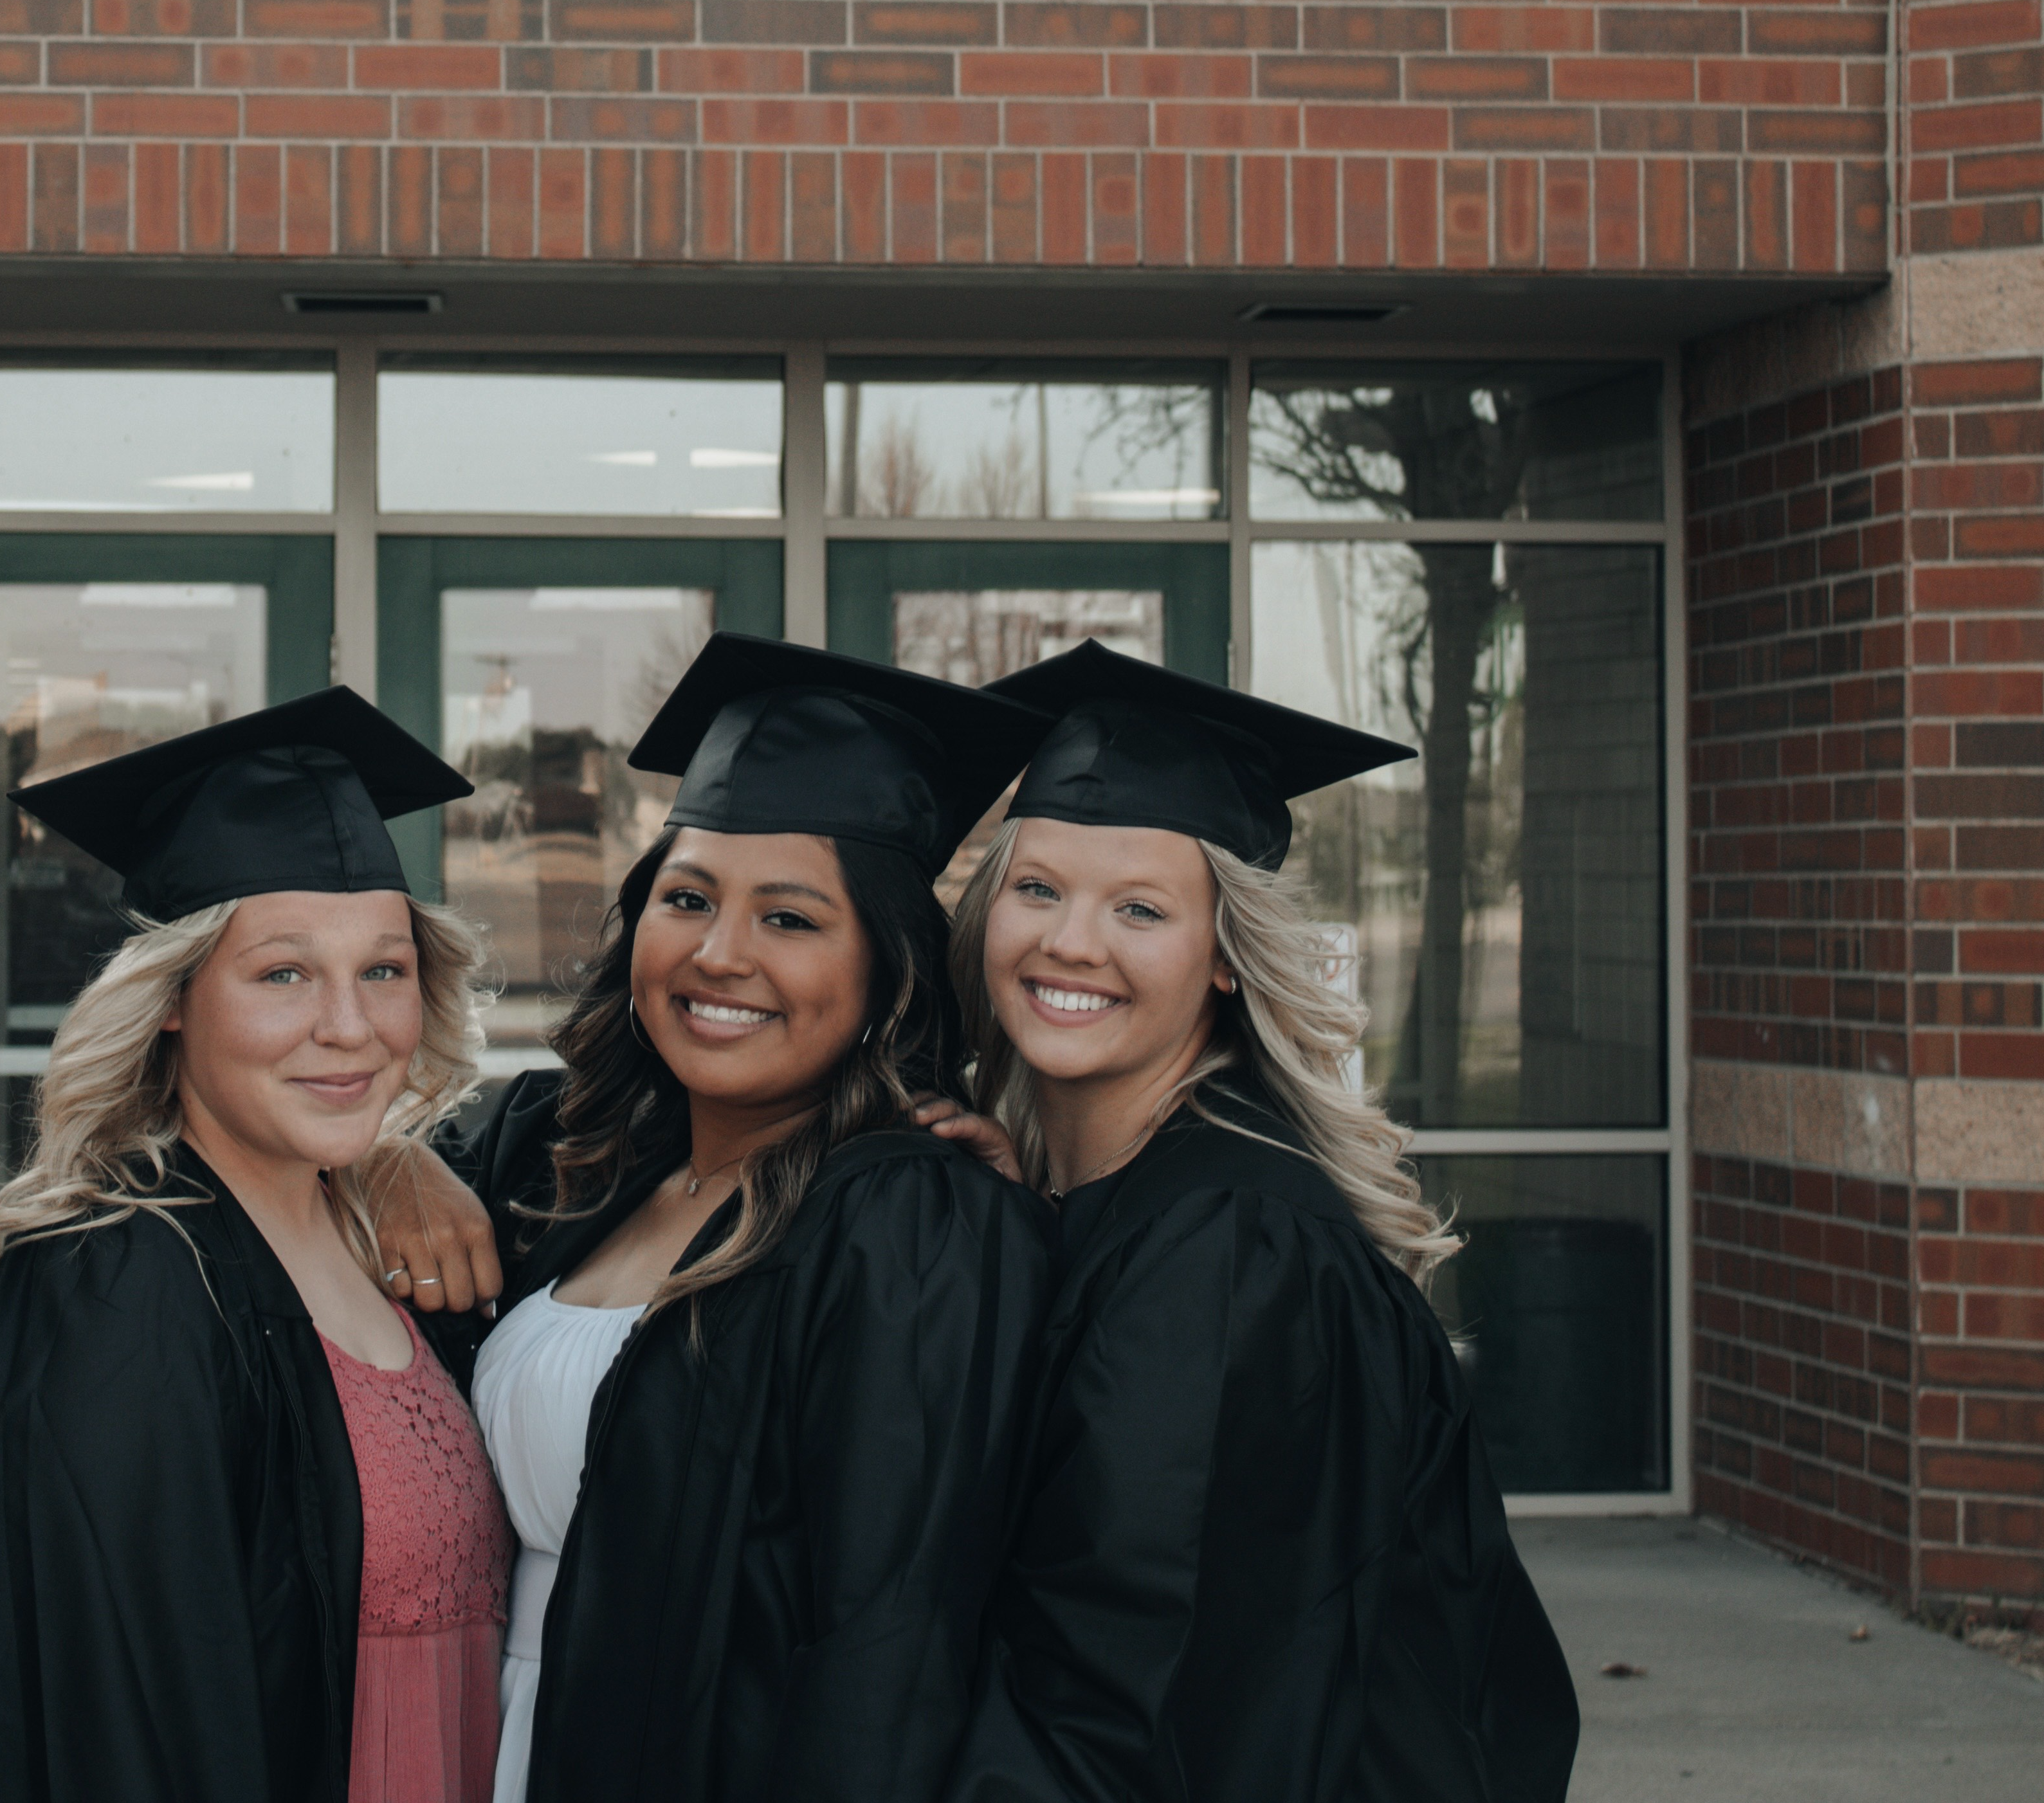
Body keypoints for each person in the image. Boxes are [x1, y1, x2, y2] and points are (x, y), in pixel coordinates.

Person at [927, 639, 1580, 1803]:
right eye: (1038, 888)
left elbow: (1131, 1692)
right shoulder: (1096, 1198)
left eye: (1139, 907)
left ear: (1226, 954)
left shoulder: (1229, 1248)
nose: (1071, 941)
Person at [423, 633, 1061, 1803]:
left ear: (888, 969)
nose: (719, 955)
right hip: (495, 1743)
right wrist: (383, 1169)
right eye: (688, 898)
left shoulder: (904, 1227)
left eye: (791, 919)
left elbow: (887, 1648)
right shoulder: (563, 1160)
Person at [0, 689, 507, 1803]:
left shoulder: (361, 1226)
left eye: (383, 970)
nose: (349, 1025)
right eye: (283, 974)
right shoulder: (119, 1281)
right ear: (174, 998)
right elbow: (122, 1722)